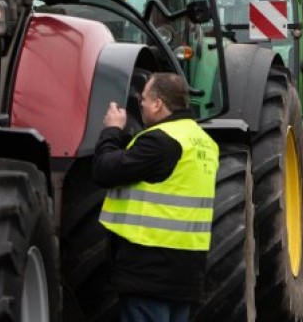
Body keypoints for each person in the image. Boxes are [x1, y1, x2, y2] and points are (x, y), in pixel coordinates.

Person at [93, 72, 219, 322]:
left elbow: (104, 170)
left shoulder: (161, 141)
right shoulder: (203, 142)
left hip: (150, 272)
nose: (141, 108)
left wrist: (112, 131)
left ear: (158, 104)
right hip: (186, 273)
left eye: (143, 102)